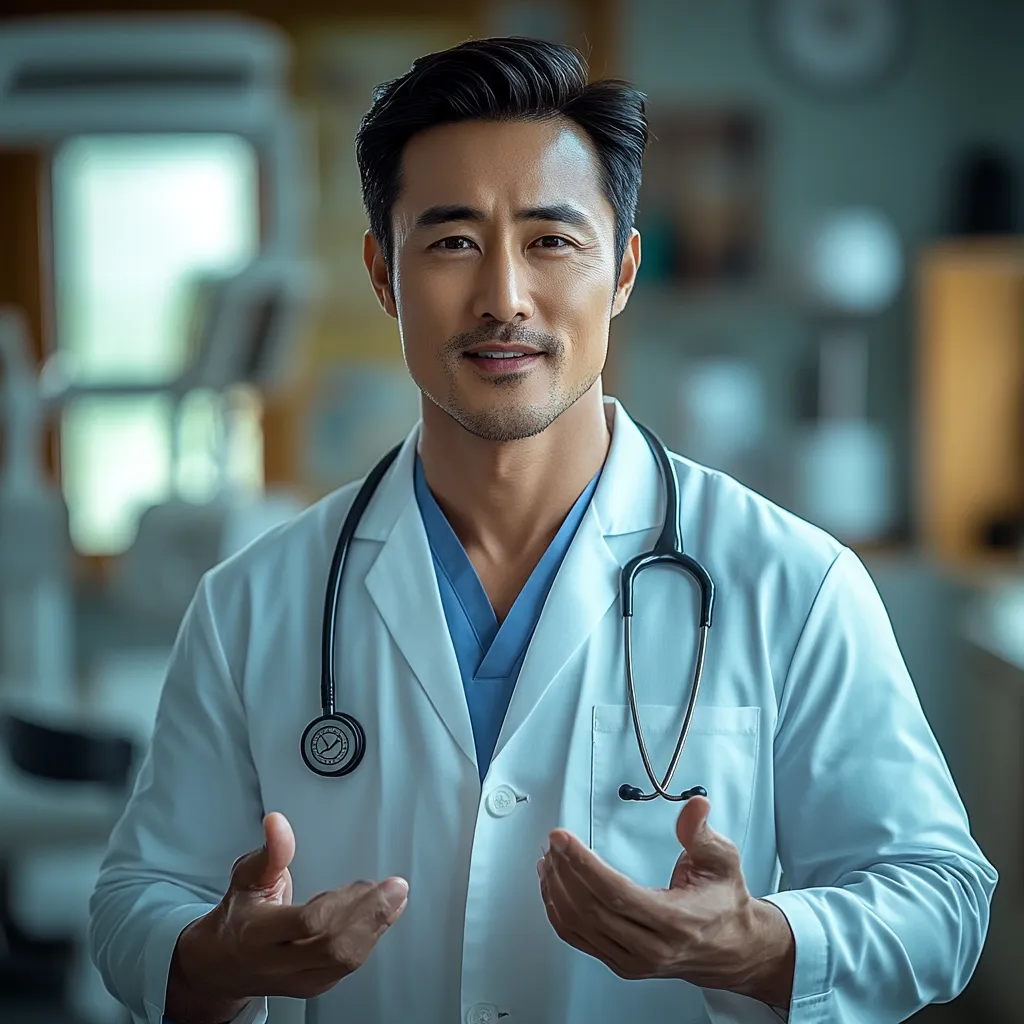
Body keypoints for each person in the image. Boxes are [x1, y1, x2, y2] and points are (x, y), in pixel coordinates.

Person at [88, 36, 996, 1024]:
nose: (503, 296)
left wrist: (758, 946)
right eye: (451, 241)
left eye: (552, 239)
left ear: (624, 270)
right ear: (382, 275)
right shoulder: (252, 601)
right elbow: (135, 899)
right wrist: (212, 958)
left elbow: (939, 898)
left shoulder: (792, 580)